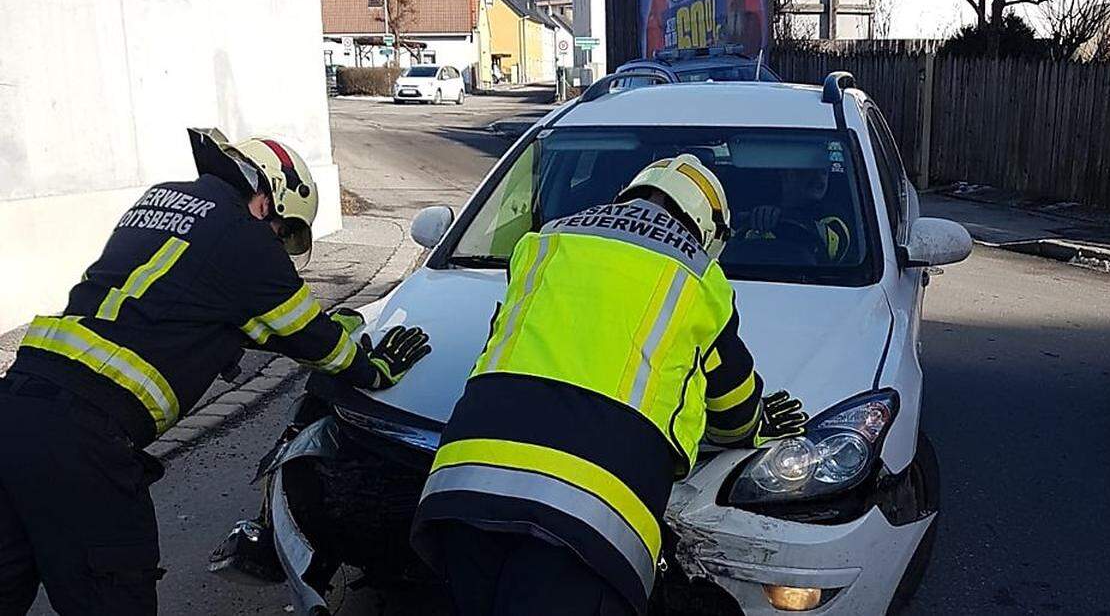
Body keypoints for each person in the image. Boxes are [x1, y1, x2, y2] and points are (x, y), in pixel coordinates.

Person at [0, 128, 431, 615]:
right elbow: (314, 342)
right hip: (82, 441)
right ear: (268, 199)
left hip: (15, 406)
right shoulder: (246, 240)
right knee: (112, 593)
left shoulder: (162, 201)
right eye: (283, 231)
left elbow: (193, 304)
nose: (279, 244)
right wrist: (371, 368)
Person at [410, 154, 809, 616]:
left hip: (463, 485)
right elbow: (735, 409)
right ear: (708, 227)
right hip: (587, 521)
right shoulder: (699, 277)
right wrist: (756, 425)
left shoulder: (545, 240)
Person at [736, 163, 853, 263]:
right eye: (810, 170)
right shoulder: (752, 209)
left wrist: (781, 216)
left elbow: (836, 244)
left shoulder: (834, 215)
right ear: (785, 173)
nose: (819, 178)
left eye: (824, 171)